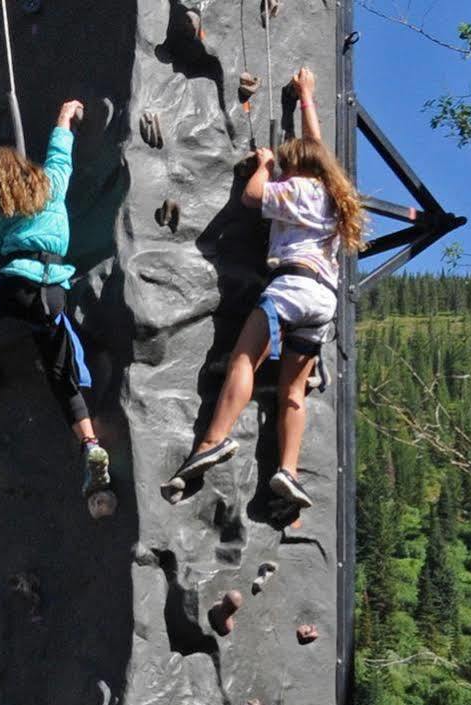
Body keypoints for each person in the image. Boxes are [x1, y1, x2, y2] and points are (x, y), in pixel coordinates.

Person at [167, 67, 364, 509]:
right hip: (322, 302)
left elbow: (252, 198)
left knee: (243, 359)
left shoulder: (294, 189)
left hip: (290, 287)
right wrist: (307, 98)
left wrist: (266, 165)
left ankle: (213, 441)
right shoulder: (334, 195)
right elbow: (319, 150)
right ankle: (288, 471)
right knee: (294, 391)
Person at [0, 99, 111, 500]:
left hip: (14, 291)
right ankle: (91, 445)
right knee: (62, 377)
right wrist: (64, 116)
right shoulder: (53, 184)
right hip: (53, 295)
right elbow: (61, 153)